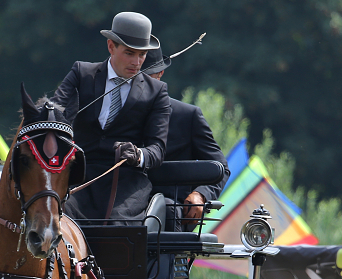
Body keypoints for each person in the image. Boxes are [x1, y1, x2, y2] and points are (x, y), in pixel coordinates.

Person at [54, 12, 171, 222]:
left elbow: (157, 149)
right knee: (60, 217)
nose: (137, 62)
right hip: (79, 176)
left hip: (126, 182)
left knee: (117, 227)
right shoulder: (81, 73)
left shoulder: (157, 91)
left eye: (142, 55)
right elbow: (56, 115)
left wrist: (138, 154)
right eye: (129, 53)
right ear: (111, 46)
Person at [141, 47, 231, 230]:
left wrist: (201, 194)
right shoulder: (114, 112)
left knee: (165, 208)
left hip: (167, 210)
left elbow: (221, 167)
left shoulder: (187, 116)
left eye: (145, 77)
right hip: (120, 200)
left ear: (160, 74)